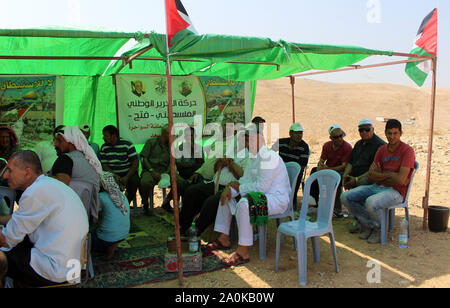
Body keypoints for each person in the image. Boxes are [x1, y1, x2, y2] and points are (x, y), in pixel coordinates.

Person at [0, 150, 88, 287]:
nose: (5, 175)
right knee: (19, 243)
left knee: (2, 257)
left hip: (56, 271)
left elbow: (6, 240)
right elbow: (20, 219)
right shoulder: (49, 185)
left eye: (10, 171)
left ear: (27, 172)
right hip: (73, 268)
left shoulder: (35, 192)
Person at [209, 126, 291, 266]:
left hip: (276, 199)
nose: (247, 144)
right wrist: (230, 188)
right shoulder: (253, 158)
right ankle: (224, 238)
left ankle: (243, 252)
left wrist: (239, 188)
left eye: (250, 141)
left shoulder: (269, 157)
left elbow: (262, 187)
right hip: (261, 196)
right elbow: (245, 181)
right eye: (246, 141)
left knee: (245, 203)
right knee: (227, 195)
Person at [340, 119, 415, 244]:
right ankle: (370, 224)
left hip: (396, 191)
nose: (392, 137)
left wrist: (381, 175)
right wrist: (390, 175)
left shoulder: (407, 151)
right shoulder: (382, 149)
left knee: (370, 202)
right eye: (389, 133)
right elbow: (371, 174)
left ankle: (379, 230)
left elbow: (401, 180)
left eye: (395, 133)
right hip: (377, 186)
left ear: (401, 133)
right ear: (385, 133)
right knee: (345, 196)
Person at [341, 118, 386, 232]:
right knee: (338, 177)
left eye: (367, 129)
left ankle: (362, 220)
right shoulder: (358, 144)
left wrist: (356, 179)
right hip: (356, 175)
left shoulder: (379, 146)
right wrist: (345, 175)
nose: (364, 132)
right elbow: (351, 162)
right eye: (361, 130)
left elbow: (373, 171)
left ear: (373, 129)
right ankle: (338, 211)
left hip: (370, 178)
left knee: (362, 183)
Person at [50, 125, 102, 219]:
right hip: (86, 216)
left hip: (66, 217)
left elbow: (59, 188)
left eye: (60, 141)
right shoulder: (89, 160)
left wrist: (44, 179)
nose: (55, 145)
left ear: (71, 142)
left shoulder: (65, 159)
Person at [139, 125, 188, 215]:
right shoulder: (151, 142)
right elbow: (144, 158)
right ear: (164, 133)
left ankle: (166, 201)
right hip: (150, 170)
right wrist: (151, 170)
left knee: (180, 182)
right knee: (145, 182)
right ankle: (145, 203)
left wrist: (167, 172)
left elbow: (172, 161)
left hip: (165, 170)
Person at [309, 124, 353, 217]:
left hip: (341, 172)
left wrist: (326, 168)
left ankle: (337, 209)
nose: (339, 139)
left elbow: (343, 166)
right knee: (314, 171)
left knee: (335, 178)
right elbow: (321, 160)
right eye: (336, 137)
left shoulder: (347, 147)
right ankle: (314, 201)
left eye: (341, 136)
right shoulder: (326, 146)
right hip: (329, 170)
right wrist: (320, 166)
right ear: (331, 138)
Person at [92, 172, 130, 261]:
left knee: (89, 238)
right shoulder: (122, 195)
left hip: (107, 237)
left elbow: (97, 217)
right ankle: (113, 246)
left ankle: (108, 249)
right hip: (124, 234)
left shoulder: (100, 197)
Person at [271, 122, 310, 209]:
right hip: (278, 172)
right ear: (290, 133)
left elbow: (301, 167)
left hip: (294, 174)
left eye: (301, 133)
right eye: (296, 132)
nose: (299, 135)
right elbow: (270, 156)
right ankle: (274, 203)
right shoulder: (280, 143)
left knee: (297, 176)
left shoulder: (304, 147)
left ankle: (292, 203)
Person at [99, 125, 140, 206]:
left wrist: (127, 177)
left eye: (106, 136)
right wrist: (114, 175)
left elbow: (135, 162)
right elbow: (104, 165)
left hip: (128, 173)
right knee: (104, 183)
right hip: (112, 174)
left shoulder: (127, 144)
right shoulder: (104, 147)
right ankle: (112, 206)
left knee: (134, 181)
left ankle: (126, 204)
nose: (103, 138)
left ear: (113, 136)